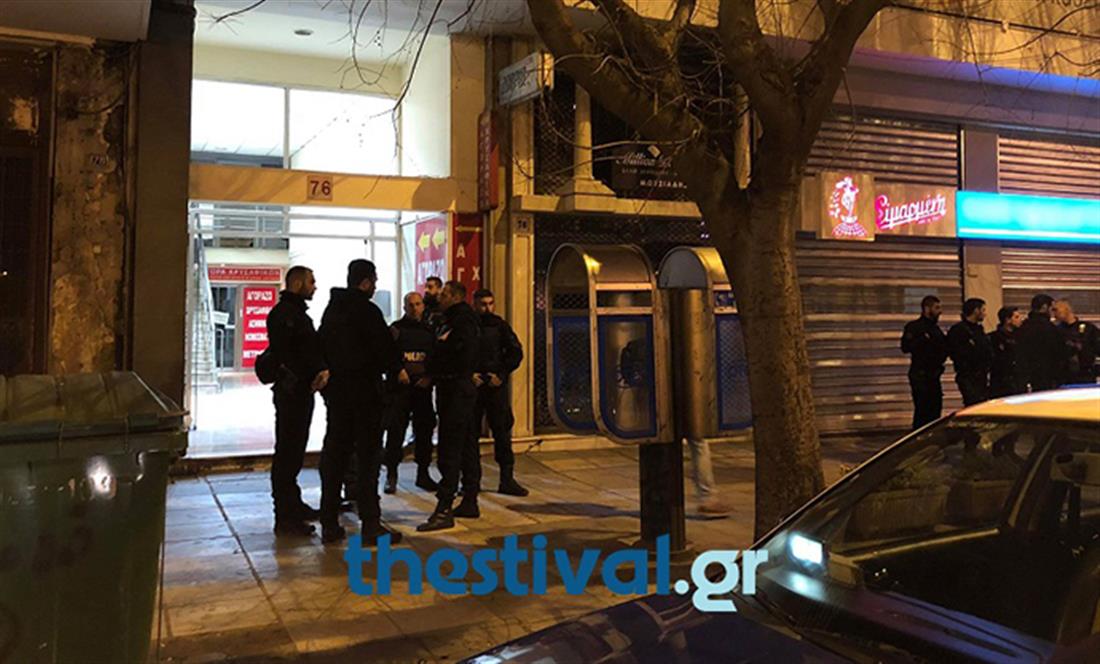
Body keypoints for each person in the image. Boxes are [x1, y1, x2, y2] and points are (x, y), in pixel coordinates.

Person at [317, 259, 403, 545]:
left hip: (338, 396)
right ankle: (371, 524)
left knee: (335, 457)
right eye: (374, 281)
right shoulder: (368, 311)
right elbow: (384, 353)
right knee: (368, 460)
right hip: (365, 395)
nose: (375, 287)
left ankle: (329, 522)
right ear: (366, 282)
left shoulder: (332, 310)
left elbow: (323, 346)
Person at [265, 266, 329, 537]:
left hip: (299, 390)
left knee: (294, 451)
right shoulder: (287, 315)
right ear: (299, 283)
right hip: (292, 392)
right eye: (311, 281)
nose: (315, 286)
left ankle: (293, 505)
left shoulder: (293, 313)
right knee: (288, 453)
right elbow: (294, 353)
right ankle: (285, 515)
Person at [418, 280, 481, 532]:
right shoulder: (449, 320)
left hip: (456, 390)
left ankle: (444, 507)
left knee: (451, 448)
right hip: (453, 389)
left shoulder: (462, 322)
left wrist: (434, 369)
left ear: (455, 297)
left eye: (444, 294)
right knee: (465, 445)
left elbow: (455, 354)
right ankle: (470, 499)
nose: (439, 297)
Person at [472, 288, 528, 497]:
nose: (487, 308)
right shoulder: (469, 325)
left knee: (502, 433)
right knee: (470, 435)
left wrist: (501, 374)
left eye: (490, 303)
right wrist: (470, 374)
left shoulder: (500, 326)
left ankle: (507, 479)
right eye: (483, 304)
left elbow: (515, 352)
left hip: (495, 386)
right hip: (474, 386)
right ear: (475, 304)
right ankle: (471, 481)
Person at [383, 292, 439, 494]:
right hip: (399, 391)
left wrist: (430, 376)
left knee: (424, 433)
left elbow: (436, 357)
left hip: (422, 390)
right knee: (395, 433)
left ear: (423, 306)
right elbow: (386, 354)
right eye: (411, 305)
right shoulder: (396, 329)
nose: (415, 308)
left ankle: (423, 474)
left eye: (418, 304)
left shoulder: (429, 331)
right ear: (404, 307)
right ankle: (391, 475)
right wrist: (398, 370)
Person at [901, 295, 948, 429]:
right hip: (920, 376)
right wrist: (922, 340)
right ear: (927, 309)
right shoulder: (914, 327)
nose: (940, 311)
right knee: (922, 411)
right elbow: (905, 347)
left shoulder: (936, 330)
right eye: (936, 308)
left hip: (934, 376)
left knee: (935, 411)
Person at [1017, 294, 1068, 392]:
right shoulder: (1051, 329)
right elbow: (1060, 352)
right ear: (1045, 307)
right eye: (1052, 309)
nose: (1053, 313)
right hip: (1048, 376)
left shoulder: (1023, 327)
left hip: (1026, 376)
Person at [947, 298, 993, 406]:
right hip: (968, 376)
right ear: (976, 311)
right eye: (983, 310)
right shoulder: (959, 330)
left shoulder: (979, 330)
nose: (985, 314)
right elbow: (956, 353)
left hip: (981, 376)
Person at [1053, 299, 1099, 385]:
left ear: (1067, 309)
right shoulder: (1055, 331)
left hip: (1086, 374)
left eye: (1056, 309)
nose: (1054, 314)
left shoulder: (1088, 329)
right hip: (1064, 376)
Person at [989, 306, 1025, 398]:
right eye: (1016, 317)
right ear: (1007, 320)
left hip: (1019, 382)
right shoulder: (994, 338)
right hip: (1001, 382)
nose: (1020, 320)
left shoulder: (1021, 337)